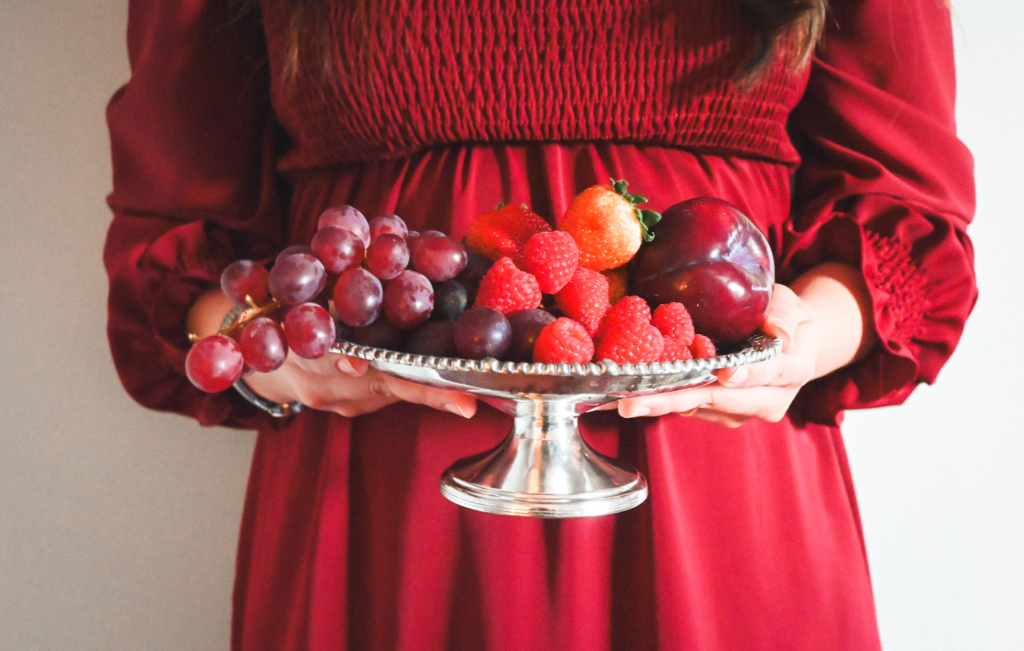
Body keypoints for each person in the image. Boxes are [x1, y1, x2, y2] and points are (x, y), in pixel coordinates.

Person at [104, 0, 975, 648]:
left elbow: (902, 209)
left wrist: (806, 339)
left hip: (715, 482)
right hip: (385, 493)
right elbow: (177, 239)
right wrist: (267, 358)